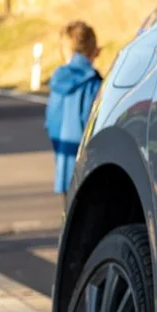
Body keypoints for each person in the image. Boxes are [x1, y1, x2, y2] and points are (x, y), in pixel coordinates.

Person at [46, 21, 102, 195]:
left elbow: (51, 124)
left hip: (64, 166)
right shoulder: (93, 84)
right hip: (90, 170)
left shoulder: (57, 84)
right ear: (95, 51)